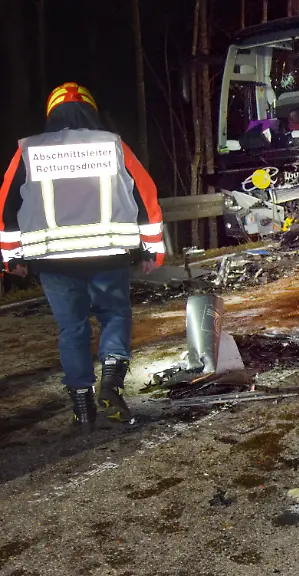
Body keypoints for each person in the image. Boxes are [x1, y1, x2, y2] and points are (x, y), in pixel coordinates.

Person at [0, 82, 166, 429]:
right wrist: (152, 248)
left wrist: (11, 258)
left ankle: (82, 404)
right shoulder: (113, 145)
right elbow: (145, 193)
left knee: (71, 329)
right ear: (91, 111)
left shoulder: (28, 151)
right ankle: (111, 381)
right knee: (114, 315)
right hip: (108, 254)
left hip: (53, 260)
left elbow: (6, 206)